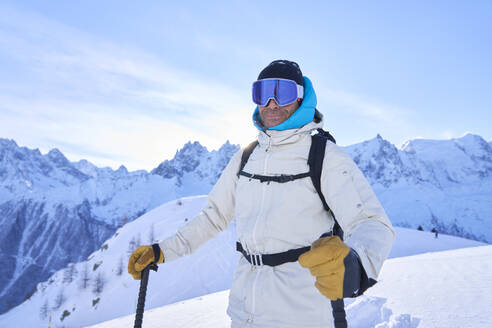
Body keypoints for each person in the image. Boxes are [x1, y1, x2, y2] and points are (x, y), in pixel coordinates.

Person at [128, 60, 395, 328]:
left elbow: (372, 223)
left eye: (283, 92)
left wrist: (355, 266)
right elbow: (213, 217)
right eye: (262, 92)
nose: (271, 103)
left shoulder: (323, 156)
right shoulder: (247, 156)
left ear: (301, 98)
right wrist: (161, 251)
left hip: (301, 314)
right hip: (244, 312)